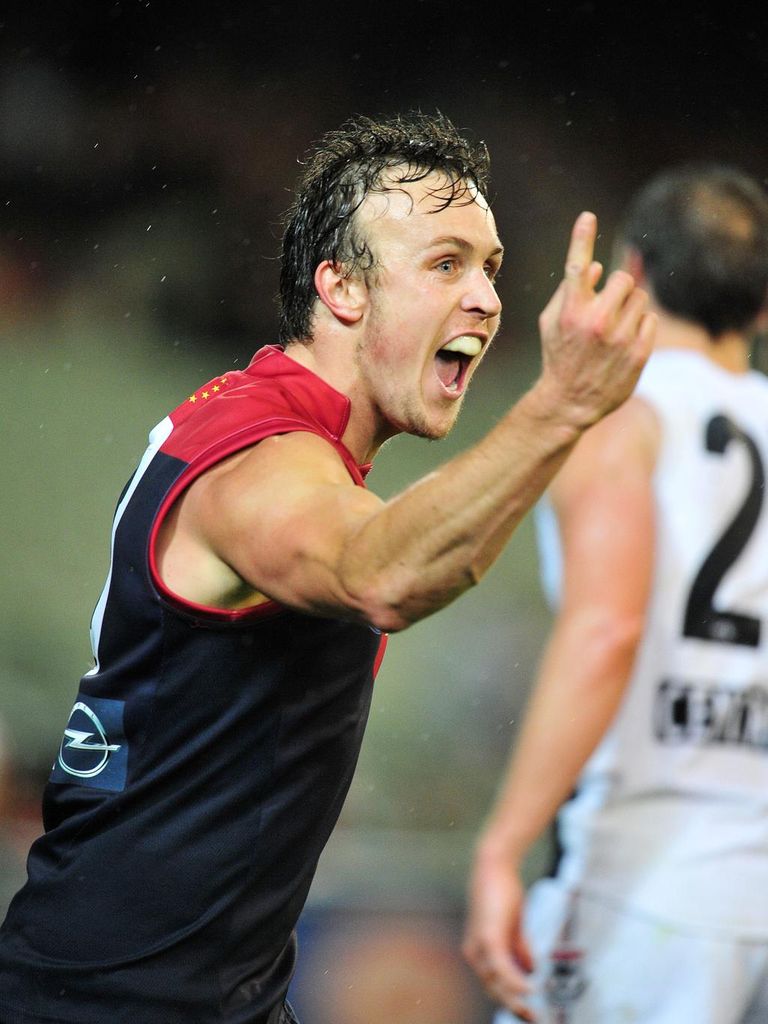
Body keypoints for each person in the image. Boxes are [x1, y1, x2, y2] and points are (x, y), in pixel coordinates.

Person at [0, 111, 652, 1024]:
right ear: (341, 288)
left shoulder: (262, 427)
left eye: (492, 268)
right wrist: (559, 408)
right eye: (445, 263)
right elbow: (381, 575)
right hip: (117, 1002)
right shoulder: (259, 459)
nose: (486, 297)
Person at [463, 162, 768, 1024]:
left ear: (633, 272)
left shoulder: (617, 418)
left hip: (647, 887)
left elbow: (606, 631)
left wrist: (501, 846)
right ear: (762, 307)